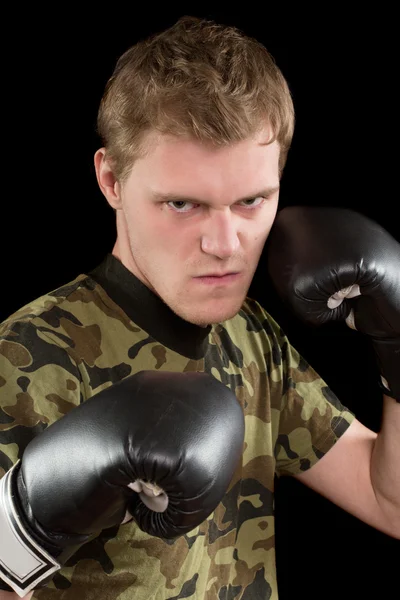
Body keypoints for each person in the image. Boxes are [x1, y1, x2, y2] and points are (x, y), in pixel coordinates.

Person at [0, 15, 399, 600]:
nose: (224, 243)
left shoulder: (250, 335)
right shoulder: (28, 355)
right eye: (183, 203)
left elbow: (388, 499)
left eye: (251, 201)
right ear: (111, 179)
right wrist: (22, 527)